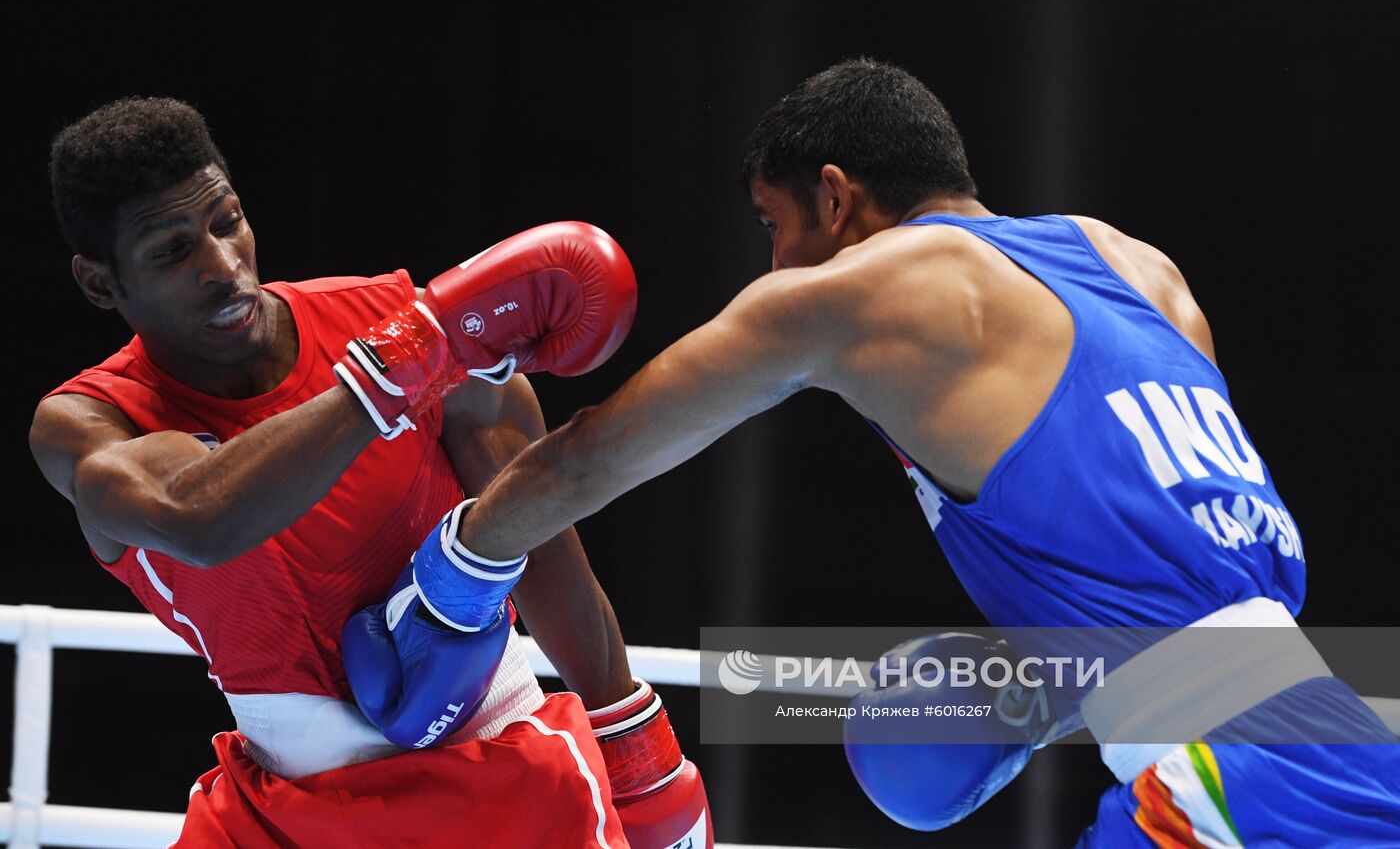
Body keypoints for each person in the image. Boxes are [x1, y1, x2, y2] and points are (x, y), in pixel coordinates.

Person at [437, 59, 1400, 845]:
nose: (772, 262)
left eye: (774, 226)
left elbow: (593, 455)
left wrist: (452, 565)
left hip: (1232, 790)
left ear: (835, 195)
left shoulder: (861, 292)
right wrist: (1034, 700)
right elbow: (1191, 598)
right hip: (1350, 740)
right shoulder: (1140, 268)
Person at [28, 97, 711, 848]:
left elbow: (536, 518)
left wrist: (627, 727)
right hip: (279, 807)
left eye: (228, 222)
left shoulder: (396, 318)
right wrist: (397, 368)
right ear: (100, 282)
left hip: (499, 767)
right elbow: (201, 516)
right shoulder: (93, 424)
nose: (223, 267)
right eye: (172, 250)